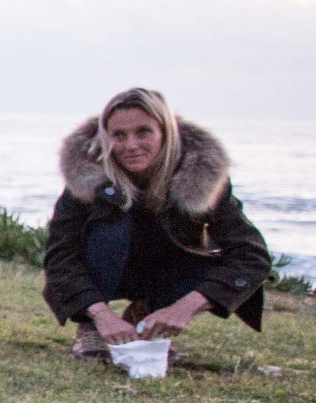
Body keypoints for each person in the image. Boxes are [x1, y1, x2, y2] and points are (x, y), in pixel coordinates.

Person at [42, 87, 272, 356]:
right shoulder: (87, 177)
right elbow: (60, 257)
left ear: (166, 132)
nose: (131, 146)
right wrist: (100, 314)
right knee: (112, 229)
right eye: (118, 135)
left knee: (209, 257)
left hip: (169, 272)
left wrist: (184, 308)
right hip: (107, 267)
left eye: (144, 132)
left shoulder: (202, 176)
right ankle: (91, 328)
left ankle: (147, 317)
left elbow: (252, 256)